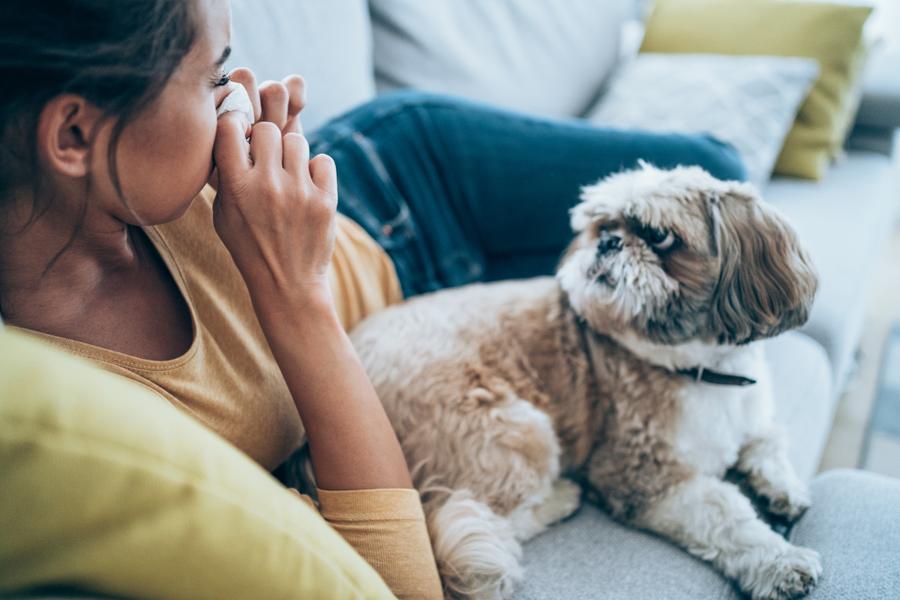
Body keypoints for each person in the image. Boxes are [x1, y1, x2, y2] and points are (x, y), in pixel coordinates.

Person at [0, 0, 745, 597]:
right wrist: (293, 294)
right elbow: (400, 586)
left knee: (716, 179)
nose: (241, 100)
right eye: (213, 79)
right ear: (73, 134)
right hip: (428, 334)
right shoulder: (83, 410)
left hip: (405, 175)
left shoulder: (142, 193)